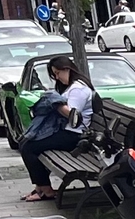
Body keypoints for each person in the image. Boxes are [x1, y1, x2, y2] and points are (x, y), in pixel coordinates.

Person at [19, 55, 94, 199]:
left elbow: (73, 117)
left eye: (58, 73)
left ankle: (46, 189)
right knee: (25, 143)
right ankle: (40, 188)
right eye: (54, 75)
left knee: (29, 148)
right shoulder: (70, 87)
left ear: (67, 69)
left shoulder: (78, 89)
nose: (57, 77)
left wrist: (55, 103)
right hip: (65, 132)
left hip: (74, 135)